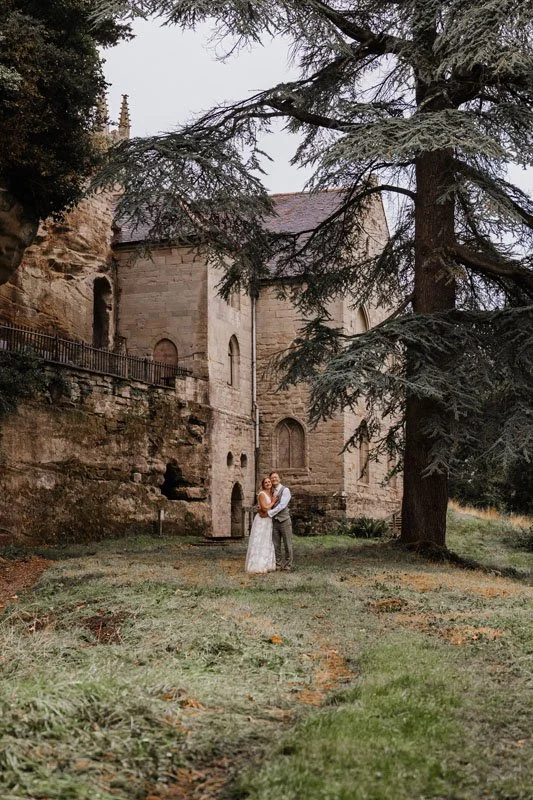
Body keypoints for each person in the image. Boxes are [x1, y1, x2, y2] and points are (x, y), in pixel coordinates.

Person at [244, 476, 277, 574]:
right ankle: (256, 565)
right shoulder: (262, 494)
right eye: (266, 482)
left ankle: (267, 563)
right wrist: (273, 502)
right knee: (259, 540)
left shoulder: (271, 494)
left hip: (268, 520)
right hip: (262, 521)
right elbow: (265, 508)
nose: (268, 483)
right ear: (263, 484)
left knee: (267, 540)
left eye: (269, 482)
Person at [267, 472, 294, 571]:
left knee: (287, 543)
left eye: (276, 477)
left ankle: (288, 565)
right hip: (274, 521)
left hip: (284, 520)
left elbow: (282, 505)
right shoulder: (271, 491)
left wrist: (270, 513)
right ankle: (278, 564)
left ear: (279, 479)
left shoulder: (285, 490)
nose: (274, 479)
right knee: (276, 544)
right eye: (272, 478)